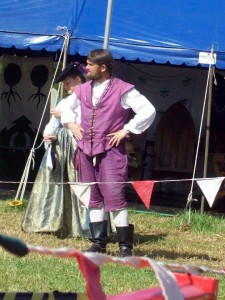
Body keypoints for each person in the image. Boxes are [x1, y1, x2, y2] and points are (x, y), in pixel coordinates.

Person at [61, 49, 156, 256]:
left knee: (114, 197)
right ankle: (99, 242)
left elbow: (148, 110)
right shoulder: (83, 89)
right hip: (85, 149)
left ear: (102, 67)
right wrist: (71, 124)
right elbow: (65, 108)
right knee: (93, 196)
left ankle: (124, 246)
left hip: (111, 151)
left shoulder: (123, 89)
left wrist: (127, 129)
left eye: (89, 65)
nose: (86, 68)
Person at [21, 62, 91, 239]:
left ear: (78, 79)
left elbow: (89, 122)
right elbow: (52, 123)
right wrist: (47, 136)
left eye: (68, 82)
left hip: (78, 148)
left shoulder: (90, 98)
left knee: (80, 185)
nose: (66, 86)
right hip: (59, 150)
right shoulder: (66, 100)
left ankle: (83, 225)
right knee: (54, 183)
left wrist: (66, 117)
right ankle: (50, 221)